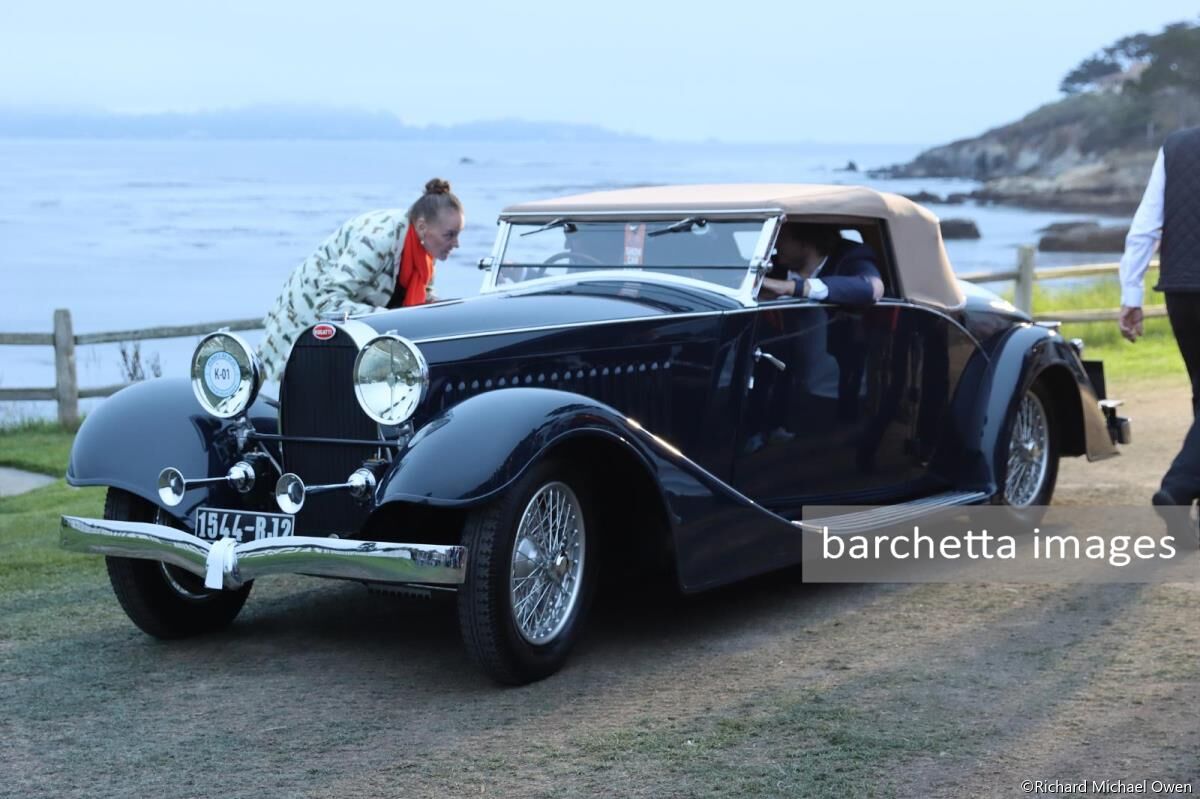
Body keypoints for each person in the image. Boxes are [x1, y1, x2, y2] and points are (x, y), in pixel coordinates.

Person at [258, 178, 465, 379]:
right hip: (305, 320)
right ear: (422, 227)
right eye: (449, 235)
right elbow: (328, 303)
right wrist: (391, 319)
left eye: (458, 234)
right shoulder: (378, 240)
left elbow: (419, 296)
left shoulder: (423, 250)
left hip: (345, 333)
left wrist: (443, 310)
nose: (456, 244)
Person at [1118, 126, 1200, 527]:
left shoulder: (1177, 146)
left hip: (1182, 292)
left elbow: (1146, 225)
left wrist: (1132, 294)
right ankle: (1180, 486)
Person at [759, 223, 884, 305]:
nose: (775, 245)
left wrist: (789, 287)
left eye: (781, 238)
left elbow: (874, 288)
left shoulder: (852, 257)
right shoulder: (771, 266)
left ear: (805, 240)